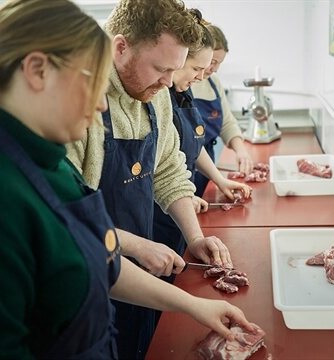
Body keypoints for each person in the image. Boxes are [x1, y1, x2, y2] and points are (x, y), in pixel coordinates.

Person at [0, 0, 257, 358]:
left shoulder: (44, 160)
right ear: (37, 72)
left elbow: (100, 258)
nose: (100, 105)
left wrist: (191, 304)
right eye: (92, 83)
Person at [66, 1, 237, 358]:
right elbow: (70, 223)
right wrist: (136, 246)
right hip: (89, 283)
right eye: (161, 68)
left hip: (137, 273)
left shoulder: (155, 95)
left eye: (174, 70)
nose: (169, 82)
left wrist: (195, 237)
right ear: (121, 47)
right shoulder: (76, 103)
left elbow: (169, 170)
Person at [153, 13, 252, 283]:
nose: (204, 75)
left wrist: (217, 180)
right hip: (152, 214)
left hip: (177, 197)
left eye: (212, 66)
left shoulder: (182, 91)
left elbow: (183, 153)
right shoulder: (158, 94)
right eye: (199, 68)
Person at [192, 24, 254, 197]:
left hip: (207, 164)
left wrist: (240, 151)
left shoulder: (213, 83)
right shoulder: (181, 85)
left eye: (219, 63)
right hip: (184, 168)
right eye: (212, 62)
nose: (215, 69)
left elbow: (227, 122)